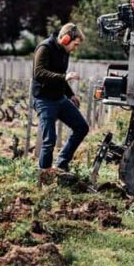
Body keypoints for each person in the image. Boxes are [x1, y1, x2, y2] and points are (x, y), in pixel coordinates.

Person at [32, 22, 89, 171]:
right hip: (44, 99)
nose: (75, 48)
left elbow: (60, 77)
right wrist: (64, 77)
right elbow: (39, 73)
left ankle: (62, 163)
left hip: (59, 98)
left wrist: (71, 94)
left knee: (81, 127)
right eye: (75, 44)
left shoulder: (65, 51)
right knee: (49, 140)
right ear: (65, 38)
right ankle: (45, 174)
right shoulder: (45, 48)